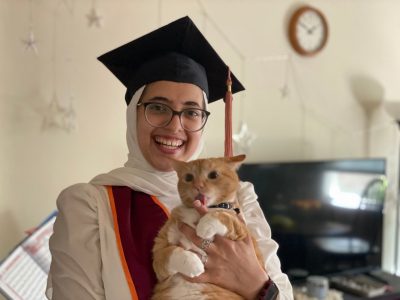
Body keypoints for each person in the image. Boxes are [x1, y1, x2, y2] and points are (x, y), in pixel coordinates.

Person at [46, 16, 293, 300]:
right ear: (133, 115)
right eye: (158, 107)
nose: (175, 126)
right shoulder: (90, 206)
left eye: (191, 112)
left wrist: (254, 284)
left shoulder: (241, 199)